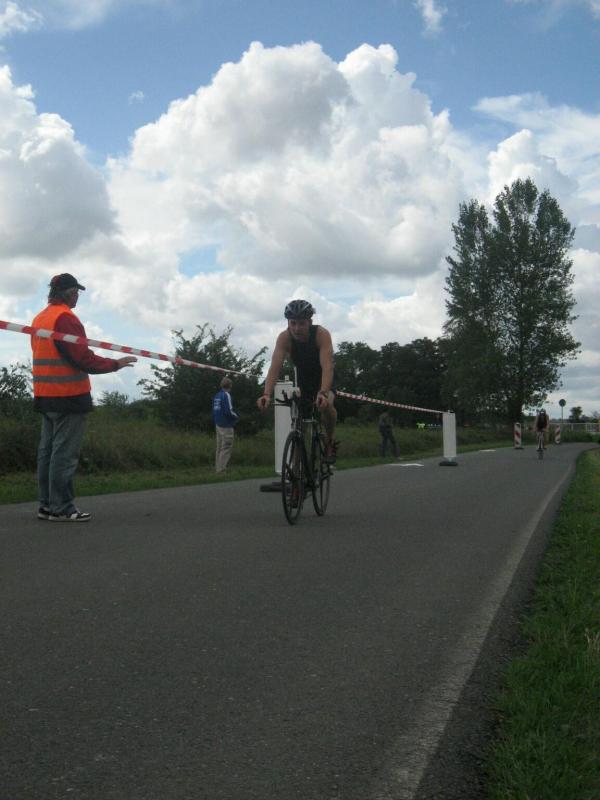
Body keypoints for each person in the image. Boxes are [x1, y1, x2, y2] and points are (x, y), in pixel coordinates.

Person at [31, 273, 137, 522]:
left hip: (45, 396)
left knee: (47, 453)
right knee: (63, 455)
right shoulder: (66, 318)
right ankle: (62, 508)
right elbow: (83, 358)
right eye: (76, 292)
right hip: (68, 397)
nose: (78, 296)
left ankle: (47, 505)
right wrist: (115, 364)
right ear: (69, 293)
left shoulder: (40, 318)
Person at [257, 299, 338, 463]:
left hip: (324, 378)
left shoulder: (321, 334)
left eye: (301, 323)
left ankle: (329, 441)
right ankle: (296, 473)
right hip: (303, 380)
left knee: (326, 405)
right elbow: (274, 367)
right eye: (293, 323)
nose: (297, 328)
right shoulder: (284, 338)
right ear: (288, 322)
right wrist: (266, 394)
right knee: (300, 426)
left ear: (309, 322)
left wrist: (323, 392)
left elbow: (327, 366)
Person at [213, 376, 239, 473]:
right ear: (230, 385)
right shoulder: (226, 395)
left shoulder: (217, 395)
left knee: (219, 447)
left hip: (218, 424)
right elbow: (228, 411)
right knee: (226, 447)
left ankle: (218, 468)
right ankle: (221, 470)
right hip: (226, 425)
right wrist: (236, 417)